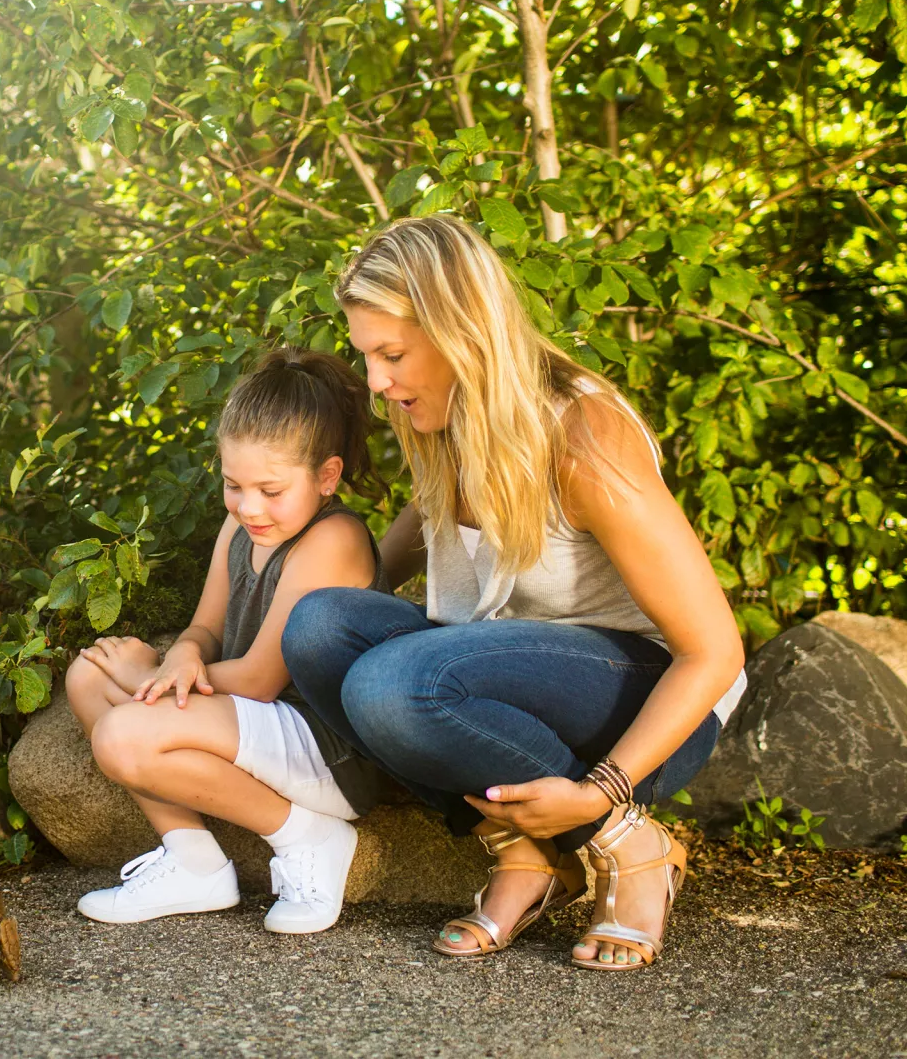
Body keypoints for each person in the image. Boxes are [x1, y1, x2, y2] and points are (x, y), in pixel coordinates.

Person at [282, 216, 747, 970]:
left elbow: (715, 650)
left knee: (394, 685)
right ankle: (531, 855)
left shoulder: (583, 438)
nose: (376, 382)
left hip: (648, 705)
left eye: (392, 355)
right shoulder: (448, 421)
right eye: (368, 355)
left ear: (462, 333)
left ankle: (630, 844)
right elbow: (374, 576)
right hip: (509, 686)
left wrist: (601, 793)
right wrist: (229, 642)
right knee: (319, 626)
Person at [66, 348, 389, 934]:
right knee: (88, 675)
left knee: (123, 735)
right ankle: (194, 863)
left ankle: (307, 837)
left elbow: (261, 680)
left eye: (271, 489)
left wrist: (147, 677)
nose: (249, 506)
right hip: (250, 724)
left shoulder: (333, 539)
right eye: (233, 485)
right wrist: (183, 654)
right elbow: (207, 629)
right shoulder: (241, 524)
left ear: (326, 476)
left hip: (327, 749)